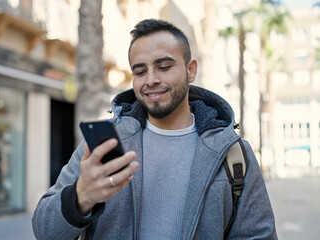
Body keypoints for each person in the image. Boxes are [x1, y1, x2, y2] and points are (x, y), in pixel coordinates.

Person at [32, 19, 277, 239]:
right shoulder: (104, 143)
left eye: (164, 67)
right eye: (140, 71)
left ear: (191, 70)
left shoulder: (233, 153)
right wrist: (80, 197)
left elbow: (258, 235)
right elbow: (44, 230)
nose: (150, 79)